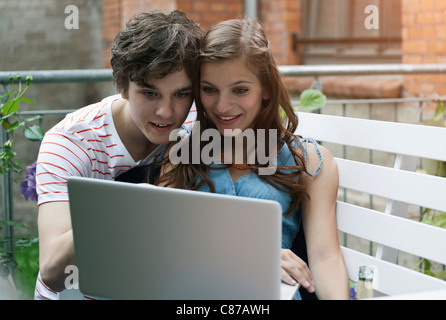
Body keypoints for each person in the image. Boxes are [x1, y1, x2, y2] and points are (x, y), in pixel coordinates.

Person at [120, 18, 350, 300]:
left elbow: (325, 257)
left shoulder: (308, 159)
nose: (222, 106)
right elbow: (166, 246)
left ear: (265, 88)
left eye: (240, 90)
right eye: (209, 89)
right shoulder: (182, 150)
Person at [34, 10, 204, 300]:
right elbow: (51, 271)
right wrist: (125, 207)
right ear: (122, 85)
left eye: (180, 94)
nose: (166, 112)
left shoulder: (194, 127)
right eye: (150, 93)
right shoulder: (70, 142)